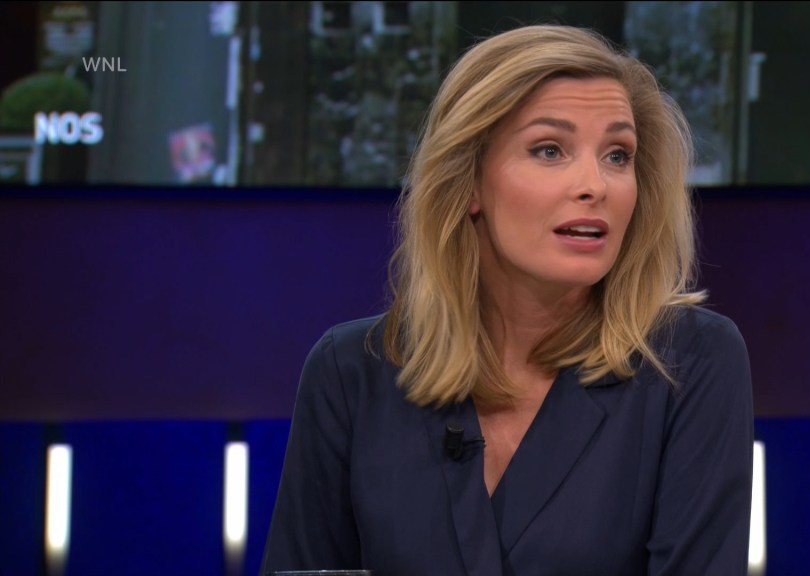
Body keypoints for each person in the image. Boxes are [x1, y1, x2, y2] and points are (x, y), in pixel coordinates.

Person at [261, 24, 753, 576]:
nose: (596, 185)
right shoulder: (352, 371)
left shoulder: (689, 360)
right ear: (469, 181)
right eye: (550, 150)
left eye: (618, 155)